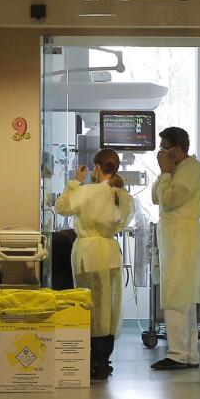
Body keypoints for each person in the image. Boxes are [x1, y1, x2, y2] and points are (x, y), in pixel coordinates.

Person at [54, 148, 135, 381]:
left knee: (89, 307)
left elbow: (62, 207)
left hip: (88, 254)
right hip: (110, 253)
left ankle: (90, 358)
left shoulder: (87, 191)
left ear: (97, 168)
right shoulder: (123, 195)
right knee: (108, 309)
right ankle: (103, 359)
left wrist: (74, 183)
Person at [149, 126, 200, 370]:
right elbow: (156, 197)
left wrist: (166, 173)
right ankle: (188, 354)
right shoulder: (175, 171)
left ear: (178, 149)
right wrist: (164, 173)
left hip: (183, 240)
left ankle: (178, 353)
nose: (161, 154)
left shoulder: (191, 169)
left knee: (177, 295)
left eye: (164, 148)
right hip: (175, 240)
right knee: (181, 296)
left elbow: (171, 199)